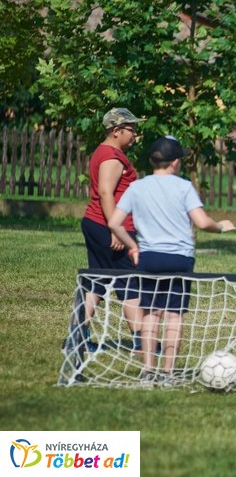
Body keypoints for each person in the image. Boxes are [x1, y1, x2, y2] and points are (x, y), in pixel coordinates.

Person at [108, 135, 236, 384]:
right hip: (179, 259)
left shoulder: (137, 187)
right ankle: (167, 372)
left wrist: (133, 246)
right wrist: (220, 226)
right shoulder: (183, 186)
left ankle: (148, 370)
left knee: (150, 314)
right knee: (174, 316)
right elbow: (201, 222)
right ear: (175, 162)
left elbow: (114, 223)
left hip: (149, 258)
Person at [81, 107, 144, 353]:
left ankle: (79, 335)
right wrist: (116, 230)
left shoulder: (107, 153)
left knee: (97, 282)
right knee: (130, 284)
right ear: (116, 131)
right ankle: (141, 340)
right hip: (108, 228)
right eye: (131, 129)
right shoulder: (111, 157)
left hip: (99, 224)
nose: (135, 135)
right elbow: (106, 193)